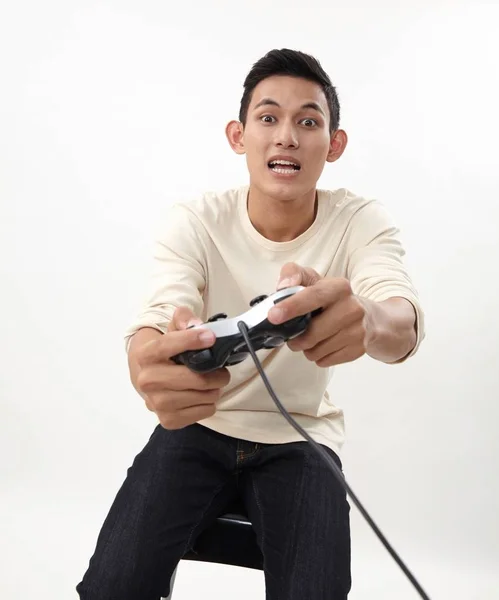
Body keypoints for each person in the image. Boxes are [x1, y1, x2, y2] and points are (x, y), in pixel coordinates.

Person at [76, 48, 425, 600]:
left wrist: (371, 319)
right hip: (197, 430)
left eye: (308, 121)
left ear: (334, 145)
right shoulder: (195, 220)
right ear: (238, 136)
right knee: (111, 586)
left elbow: (399, 314)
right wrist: (146, 359)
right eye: (268, 117)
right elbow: (156, 317)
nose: (286, 136)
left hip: (303, 438)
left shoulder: (360, 220)